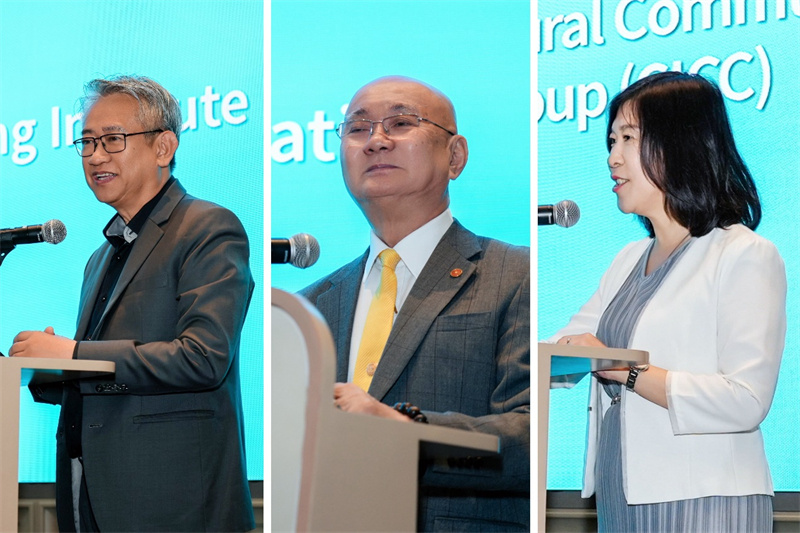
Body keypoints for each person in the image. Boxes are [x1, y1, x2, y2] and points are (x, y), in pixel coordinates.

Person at [8, 76, 256, 532]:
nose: (95, 156)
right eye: (86, 142)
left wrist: (75, 354)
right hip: (89, 494)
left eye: (112, 140)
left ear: (163, 147)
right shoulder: (99, 257)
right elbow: (107, 378)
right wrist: (49, 368)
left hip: (174, 504)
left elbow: (204, 358)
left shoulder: (208, 228)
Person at [549, 71, 786, 532]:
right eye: (611, 141)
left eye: (628, 138)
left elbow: (746, 399)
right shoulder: (627, 259)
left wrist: (627, 370)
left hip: (706, 501)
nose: (612, 158)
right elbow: (568, 344)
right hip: (621, 496)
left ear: (681, 144)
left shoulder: (743, 254)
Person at [300, 76, 530, 532]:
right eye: (358, 129)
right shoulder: (312, 306)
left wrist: (407, 434)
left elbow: (527, 438)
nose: (376, 141)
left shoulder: (515, 274)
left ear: (455, 156)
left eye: (401, 123)